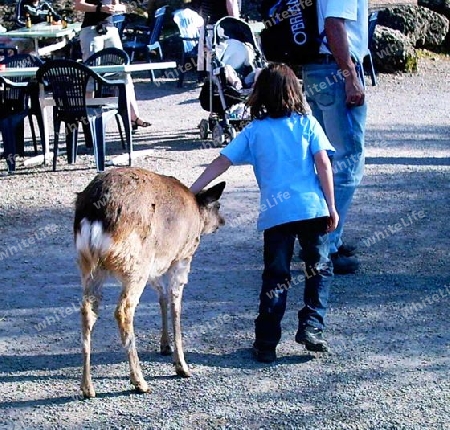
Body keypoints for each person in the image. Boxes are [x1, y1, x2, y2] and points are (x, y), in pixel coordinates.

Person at [190, 63, 338, 363]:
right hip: (312, 208)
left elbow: (222, 161)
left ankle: (266, 343)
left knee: (276, 277)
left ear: (260, 95)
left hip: (276, 214)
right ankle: (312, 325)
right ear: (296, 92)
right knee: (319, 268)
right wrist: (332, 206)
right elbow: (323, 164)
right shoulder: (308, 124)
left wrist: (192, 189)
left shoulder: (254, 131)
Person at [301, 0, 368, 274]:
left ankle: (317, 238)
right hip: (335, 70)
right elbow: (334, 25)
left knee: (323, 160)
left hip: (315, 69)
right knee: (347, 162)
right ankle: (325, 246)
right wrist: (350, 75)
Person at [74, 0, 151, 131]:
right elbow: (78, 5)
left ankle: (134, 117)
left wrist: (117, 8)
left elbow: (120, 6)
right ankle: (88, 123)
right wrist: (100, 8)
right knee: (91, 75)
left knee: (123, 72)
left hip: (110, 29)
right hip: (91, 30)